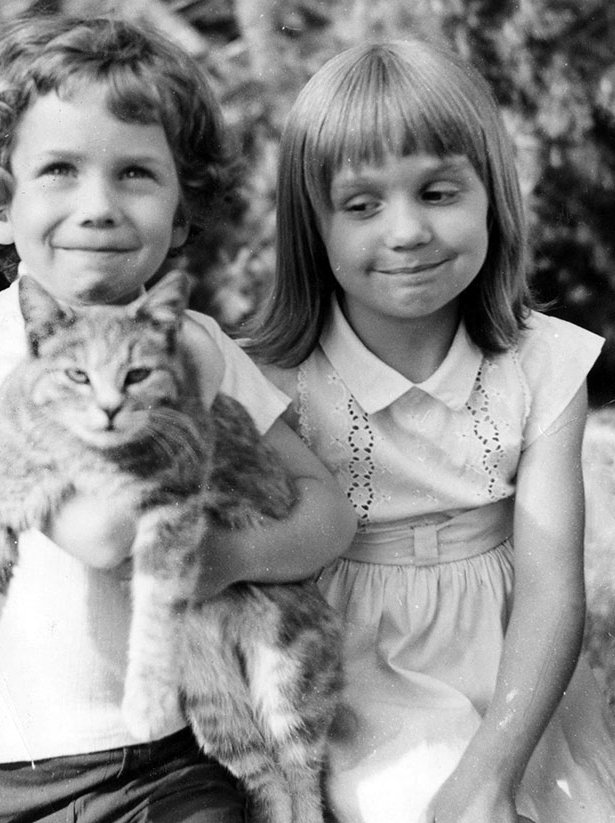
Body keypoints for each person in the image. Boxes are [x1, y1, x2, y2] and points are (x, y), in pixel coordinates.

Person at [0, 15, 357, 823]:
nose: (98, 207)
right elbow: (100, 536)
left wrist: (232, 556)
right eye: (59, 169)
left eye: (134, 174)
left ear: (182, 213)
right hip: (12, 772)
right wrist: (182, 392)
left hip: (174, 754)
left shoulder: (196, 341)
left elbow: (326, 509)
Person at [248, 39, 615, 823]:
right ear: (312, 227)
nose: (408, 230)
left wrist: (490, 775)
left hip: (517, 668)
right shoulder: (272, 382)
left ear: (492, 196)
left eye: (439, 191)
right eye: (362, 204)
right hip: (346, 668)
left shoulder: (544, 362)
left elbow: (553, 589)